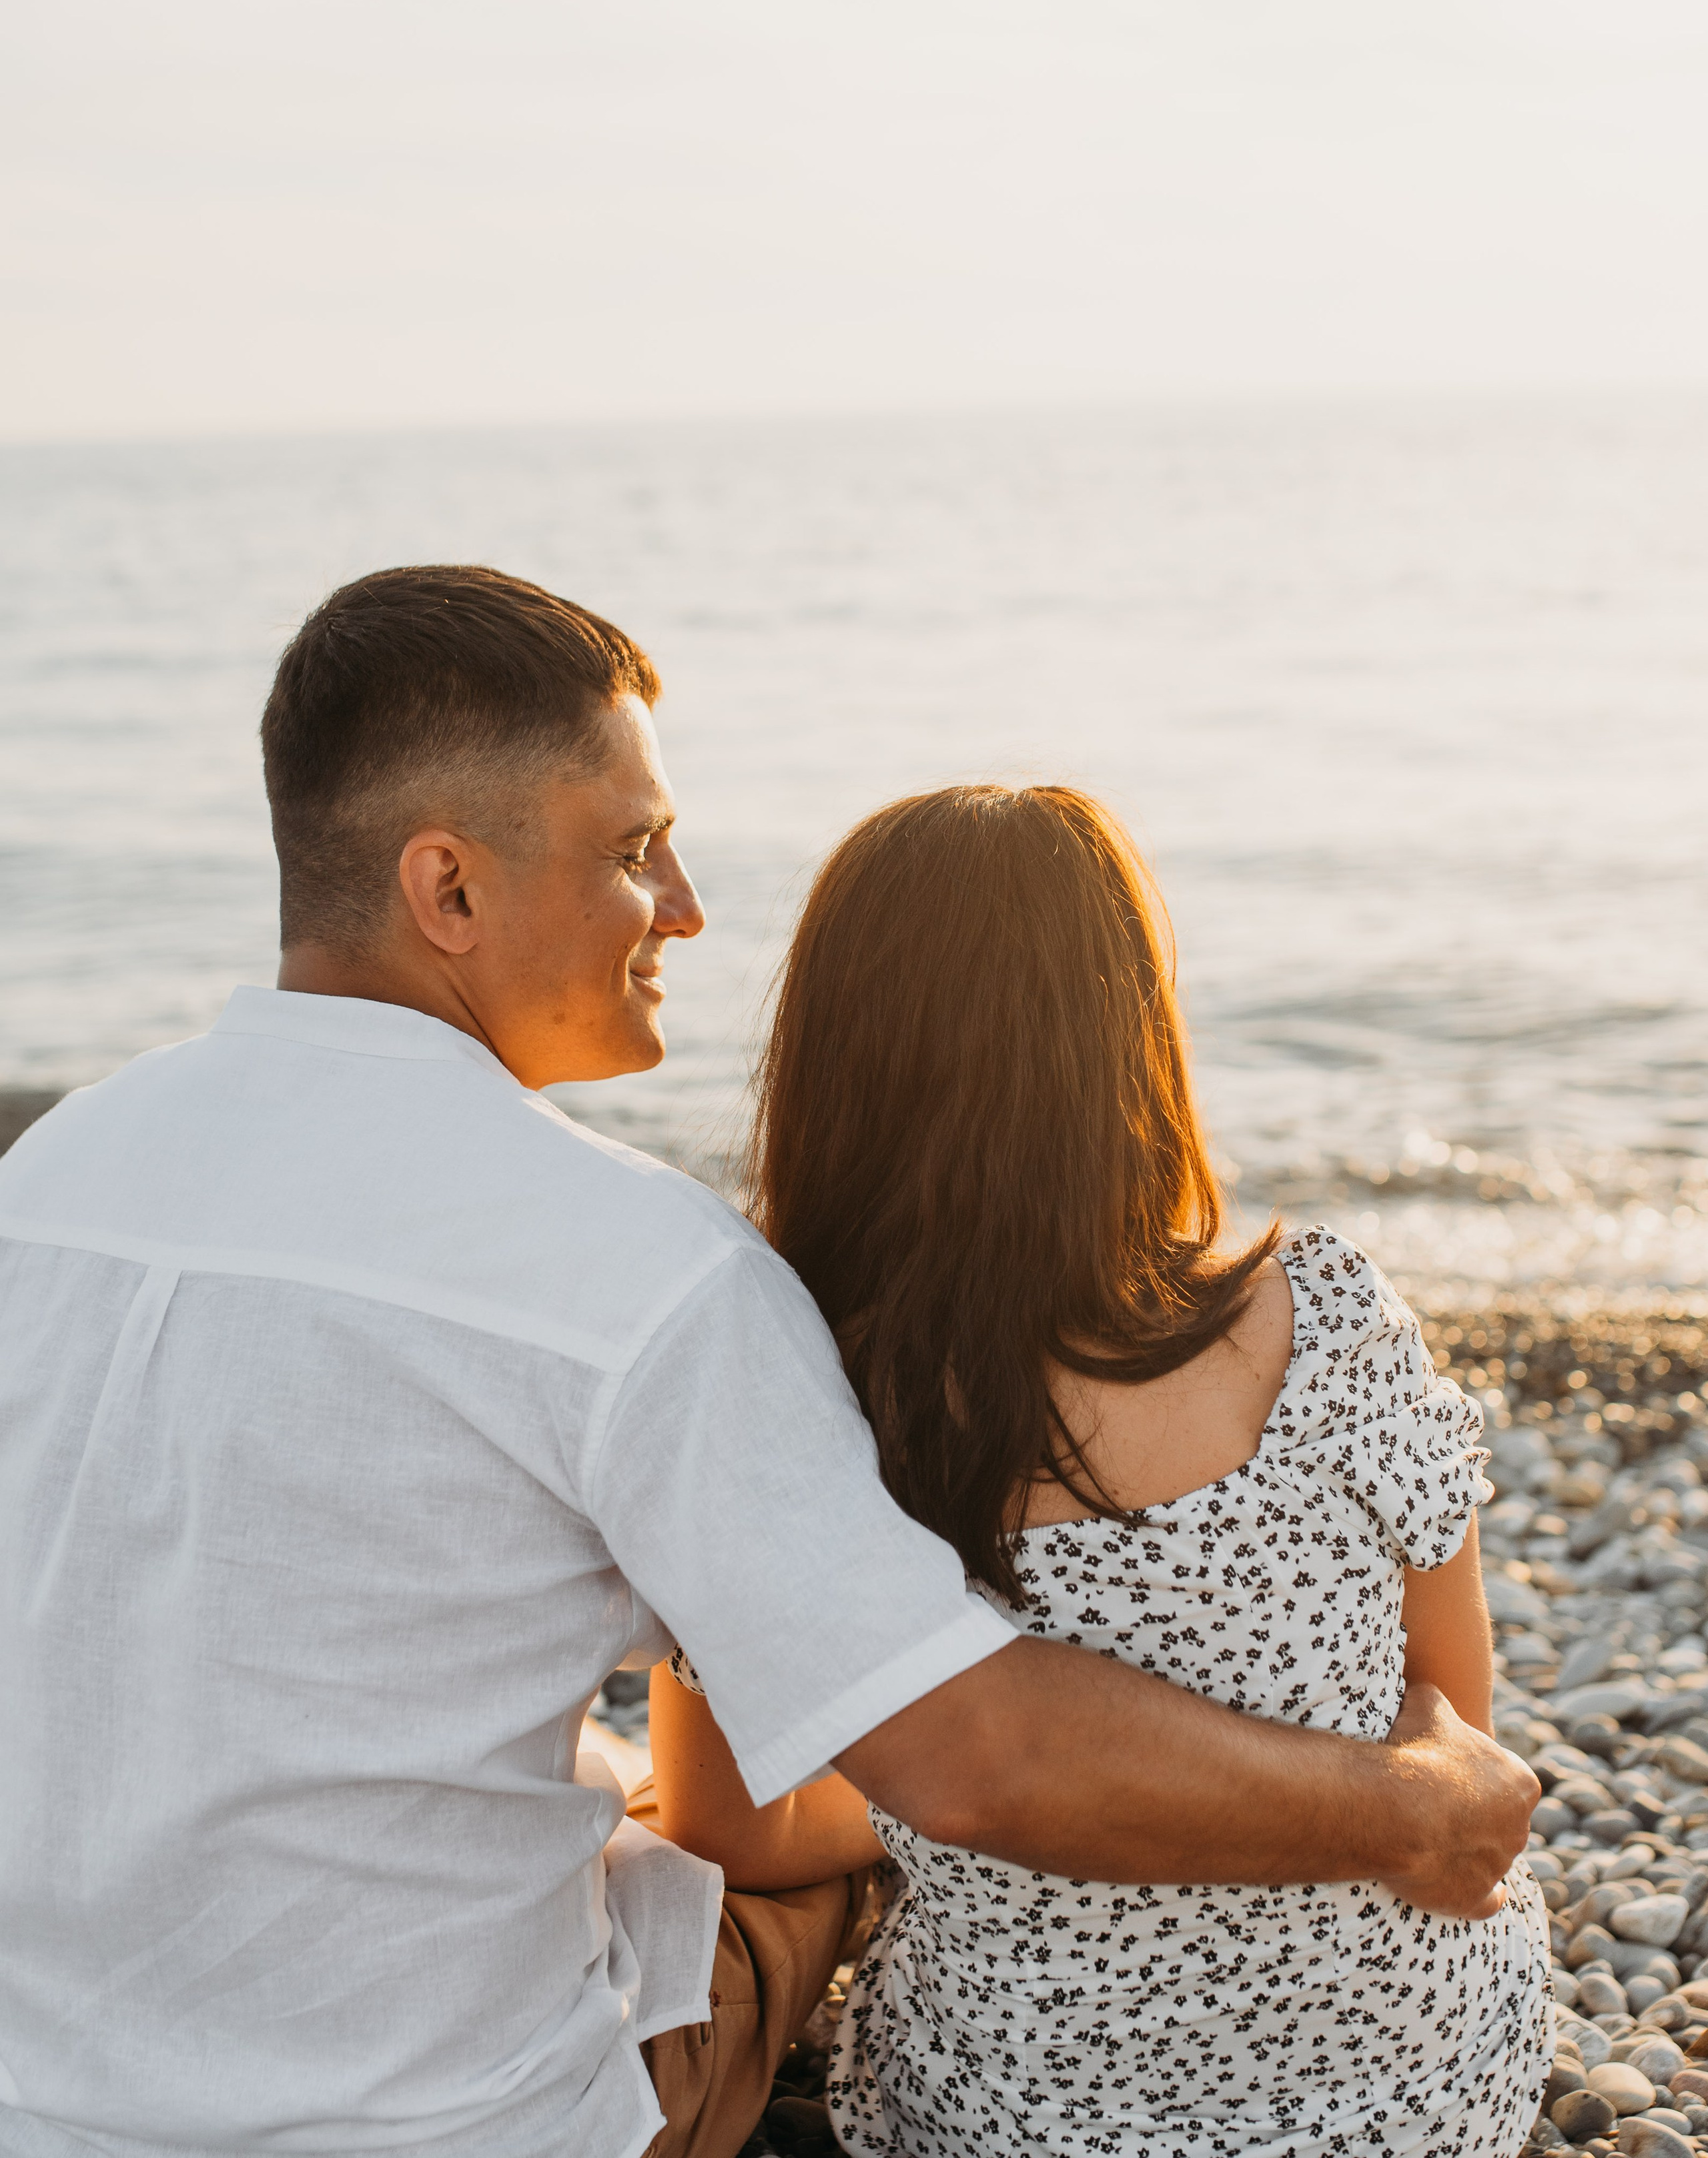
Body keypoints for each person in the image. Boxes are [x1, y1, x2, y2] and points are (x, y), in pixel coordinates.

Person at [0, 568, 1537, 2158]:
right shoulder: (631, 1268)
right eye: (631, 850)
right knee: (793, 1868)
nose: (682, 907)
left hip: (41, 2098)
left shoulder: (49, 1178)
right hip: (454, 2124)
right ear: (446, 891)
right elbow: (975, 1761)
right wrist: (1415, 1808)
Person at [649, 785, 1553, 2156]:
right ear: (1129, 1034)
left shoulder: (785, 1394)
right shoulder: (1322, 1322)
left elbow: (740, 1832)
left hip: (1019, 2125)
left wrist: (976, 1823)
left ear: (834, 1059)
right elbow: (1445, 1723)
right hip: (1416, 2105)